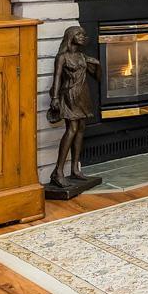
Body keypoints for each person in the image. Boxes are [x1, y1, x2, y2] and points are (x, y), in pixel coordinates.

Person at [47, 25, 101, 193]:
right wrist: (55, 98)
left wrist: (97, 64)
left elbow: (98, 78)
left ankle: (75, 169)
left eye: (83, 34)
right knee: (72, 129)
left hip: (83, 95)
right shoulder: (62, 57)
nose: (82, 36)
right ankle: (58, 171)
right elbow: (56, 78)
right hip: (69, 95)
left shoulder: (83, 57)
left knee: (81, 128)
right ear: (70, 37)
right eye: (79, 34)